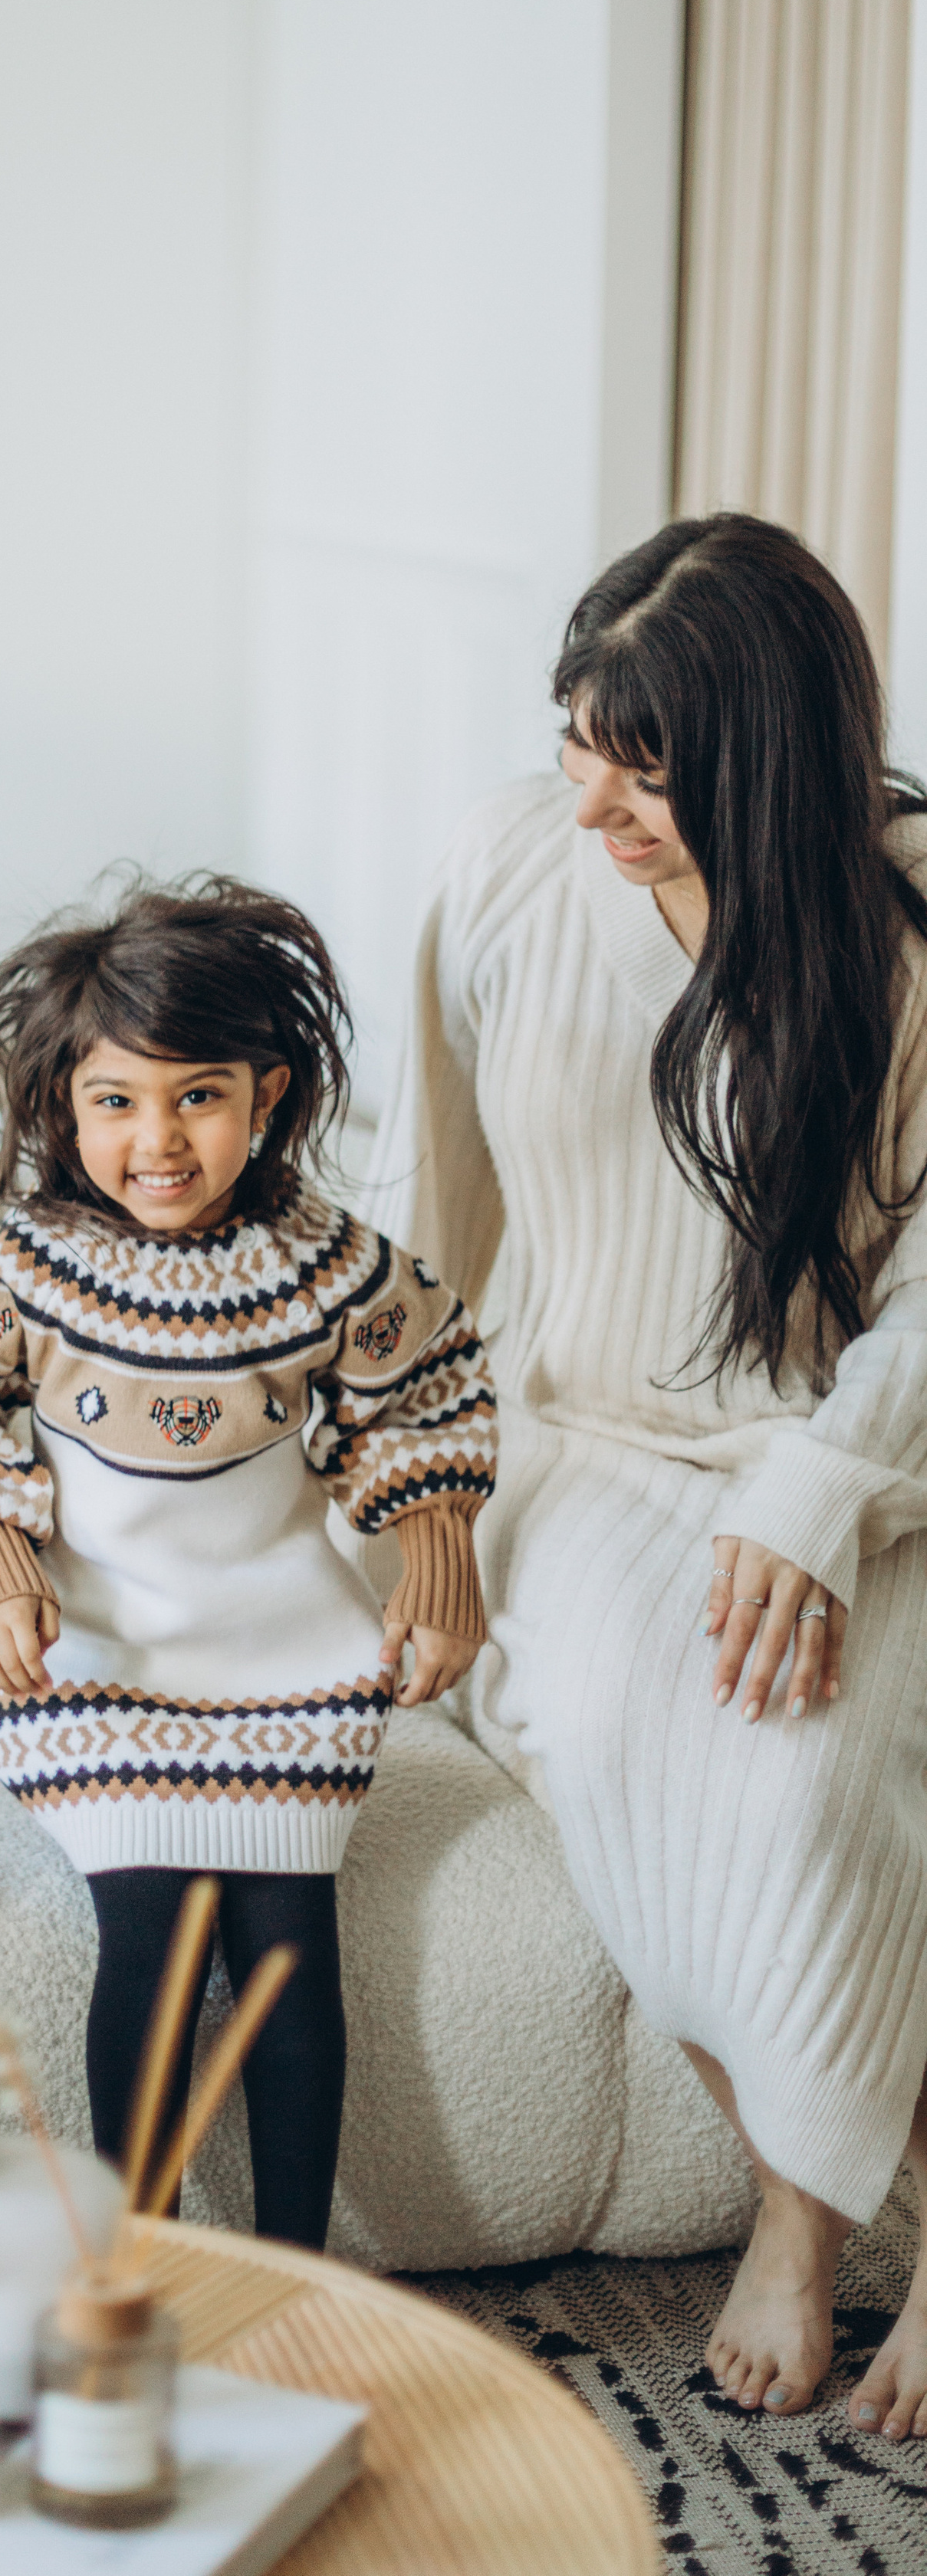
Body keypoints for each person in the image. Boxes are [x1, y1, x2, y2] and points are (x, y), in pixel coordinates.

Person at [372, 513, 927, 2438]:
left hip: (862, 1452)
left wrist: (823, 1479)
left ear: (768, 759)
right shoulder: (510, 865)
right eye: (572, 735)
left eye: (646, 760)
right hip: (578, 1435)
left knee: (828, 1748)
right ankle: (805, 2219)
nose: (591, 793)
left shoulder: (907, 908)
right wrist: (394, 1465)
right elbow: (424, 1200)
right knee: (660, 1730)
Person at [0, 877, 498, 2246]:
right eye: (116, 1102)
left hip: (288, 1651)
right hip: (101, 1657)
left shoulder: (329, 1265)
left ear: (267, 1094)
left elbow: (432, 1384)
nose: (157, 1140)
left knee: (288, 1958)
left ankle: (293, 2265)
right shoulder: (28, 1266)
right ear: (65, 1108)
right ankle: (140, 2258)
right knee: (151, 1939)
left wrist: (438, 1558)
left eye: (197, 1096)